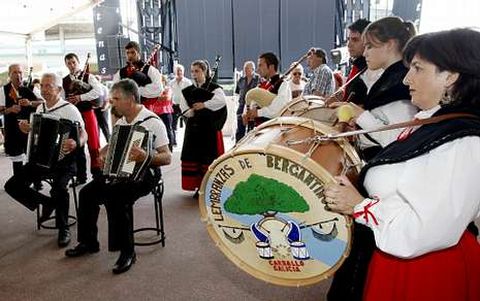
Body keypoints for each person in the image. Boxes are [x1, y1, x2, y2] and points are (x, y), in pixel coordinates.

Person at [325, 28, 480, 301]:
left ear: (451, 75)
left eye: (418, 68)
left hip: (424, 269)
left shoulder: (463, 141)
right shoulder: (434, 122)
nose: (407, 78)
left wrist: (358, 205)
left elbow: (424, 230)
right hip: (399, 257)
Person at [327, 16, 418, 301]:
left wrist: (359, 115)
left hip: (387, 181)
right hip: (374, 170)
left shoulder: (401, 87)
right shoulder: (384, 80)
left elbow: (400, 137)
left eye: (370, 46)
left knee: (366, 251)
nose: (364, 52)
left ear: (391, 45)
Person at [65, 79, 171, 274]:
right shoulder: (122, 121)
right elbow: (113, 144)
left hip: (147, 174)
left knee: (117, 197)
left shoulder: (152, 121)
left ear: (130, 99)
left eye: (116, 98)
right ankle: (88, 242)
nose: (111, 102)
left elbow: (167, 157)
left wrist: (145, 156)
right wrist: (103, 154)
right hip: (121, 173)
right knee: (87, 193)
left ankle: (127, 251)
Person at [4, 73, 87, 248]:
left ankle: (63, 228)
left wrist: (76, 142)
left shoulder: (69, 109)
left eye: (49, 86)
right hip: (42, 160)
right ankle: (46, 203)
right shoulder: (41, 109)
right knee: (12, 185)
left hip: (65, 161)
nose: (44, 89)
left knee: (59, 187)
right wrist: (28, 128)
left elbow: (83, 133)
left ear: (59, 89)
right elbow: (38, 134)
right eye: (42, 86)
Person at [180, 60, 227, 196]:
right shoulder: (188, 90)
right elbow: (184, 107)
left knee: (207, 157)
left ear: (204, 71)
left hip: (208, 130)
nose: (194, 74)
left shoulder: (214, 88)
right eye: (192, 71)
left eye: (197, 71)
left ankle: (208, 186)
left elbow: (221, 102)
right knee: (194, 157)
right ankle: (197, 186)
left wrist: (204, 105)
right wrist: (190, 111)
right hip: (193, 129)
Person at [63, 53, 104, 183]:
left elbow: (99, 92)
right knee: (77, 146)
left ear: (78, 62)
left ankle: (97, 174)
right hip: (73, 115)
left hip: (87, 113)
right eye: (69, 63)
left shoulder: (88, 76)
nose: (72, 65)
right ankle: (81, 177)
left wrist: (80, 97)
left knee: (93, 145)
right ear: (66, 64)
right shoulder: (64, 80)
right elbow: (63, 98)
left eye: (73, 62)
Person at [0, 64, 42, 177]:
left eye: (20, 72)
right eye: (15, 72)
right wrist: (10, 109)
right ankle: (18, 183)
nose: (18, 75)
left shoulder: (32, 87)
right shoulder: (3, 90)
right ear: (9, 75)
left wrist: (30, 103)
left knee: (32, 156)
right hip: (13, 128)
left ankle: (36, 182)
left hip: (30, 126)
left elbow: (44, 102)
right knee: (17, 158)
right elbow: (0, 110)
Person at [243, 52, 292, 124]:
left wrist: (258, 113)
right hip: (257, 130)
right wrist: (245, 114)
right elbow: (250, 104)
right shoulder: (261, 85)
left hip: (275, 131)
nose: (258, 69)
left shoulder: (283, 85)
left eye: (260, 65)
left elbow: (279, 109)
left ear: (271, 67)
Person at [113, 41, 163, 109]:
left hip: (145, 110)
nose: (130, 55)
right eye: (128, 53)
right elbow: (114, 91)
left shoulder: (150, 70)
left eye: (133, 52)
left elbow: (158, 89)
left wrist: (137, 90)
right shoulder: (121, 72)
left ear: (138, 53)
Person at [343, 19, 382, 105]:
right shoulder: (357, 65)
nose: (349, 44)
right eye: (348, 39)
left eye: (355, 40)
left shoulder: (373, 70)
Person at [234, 60, 260, 142]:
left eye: (247, 68)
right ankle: (237, 145)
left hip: (253, 106)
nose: (245, 70)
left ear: (253, 69)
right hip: (241, 105)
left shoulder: (258, 79)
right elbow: (238, 92)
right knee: (240, 128)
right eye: (245, 68)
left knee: (251, 128)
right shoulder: (241, 80)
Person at [169, 64, 192, 145]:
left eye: (180, 70)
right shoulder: (171, 83)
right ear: (175, 72)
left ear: (183, 72)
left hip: (185, 106)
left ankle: (189, 141)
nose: (179, 72)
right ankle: (173, 141)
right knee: (173, 125)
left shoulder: (188, 82)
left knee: (188, 124)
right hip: (174, 106)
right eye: (177, 70)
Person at [153, 74, 174, 150]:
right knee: (156, 130)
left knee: (168, 129)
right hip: (155, 112)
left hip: (166, 112)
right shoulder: (154, 90)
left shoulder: (167, 89)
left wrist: (157, 97)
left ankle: (170, 147)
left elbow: (167, 98)